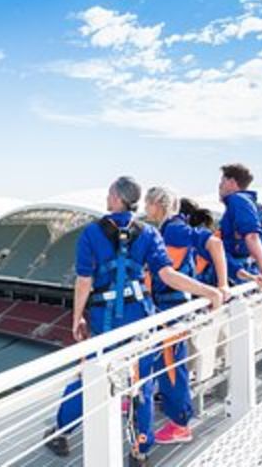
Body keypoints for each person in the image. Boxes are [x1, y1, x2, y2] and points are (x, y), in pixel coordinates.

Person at [46, 177, 224, 467]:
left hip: (106, 319)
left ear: (116, 197)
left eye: (109, 193)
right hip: (141, 315)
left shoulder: (91, 233)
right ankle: (140, 452)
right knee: (142, 381)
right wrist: (209, 291)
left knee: (87, 376)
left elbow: (84, 280)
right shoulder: (150, 233)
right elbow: (166, 275)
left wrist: (77, 317)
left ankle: (61, 433)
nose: (107, 197)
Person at [144, 187, 229, 445]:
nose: (145, 207)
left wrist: (221, 286)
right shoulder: (169, 228)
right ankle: (171, 413)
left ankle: (180, 424)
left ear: (158, 203)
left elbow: (214, 242)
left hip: (172, 309)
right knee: (167, 364)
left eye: (148, 202)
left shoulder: (173, 228)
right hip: (167, 307)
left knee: (172, 367)